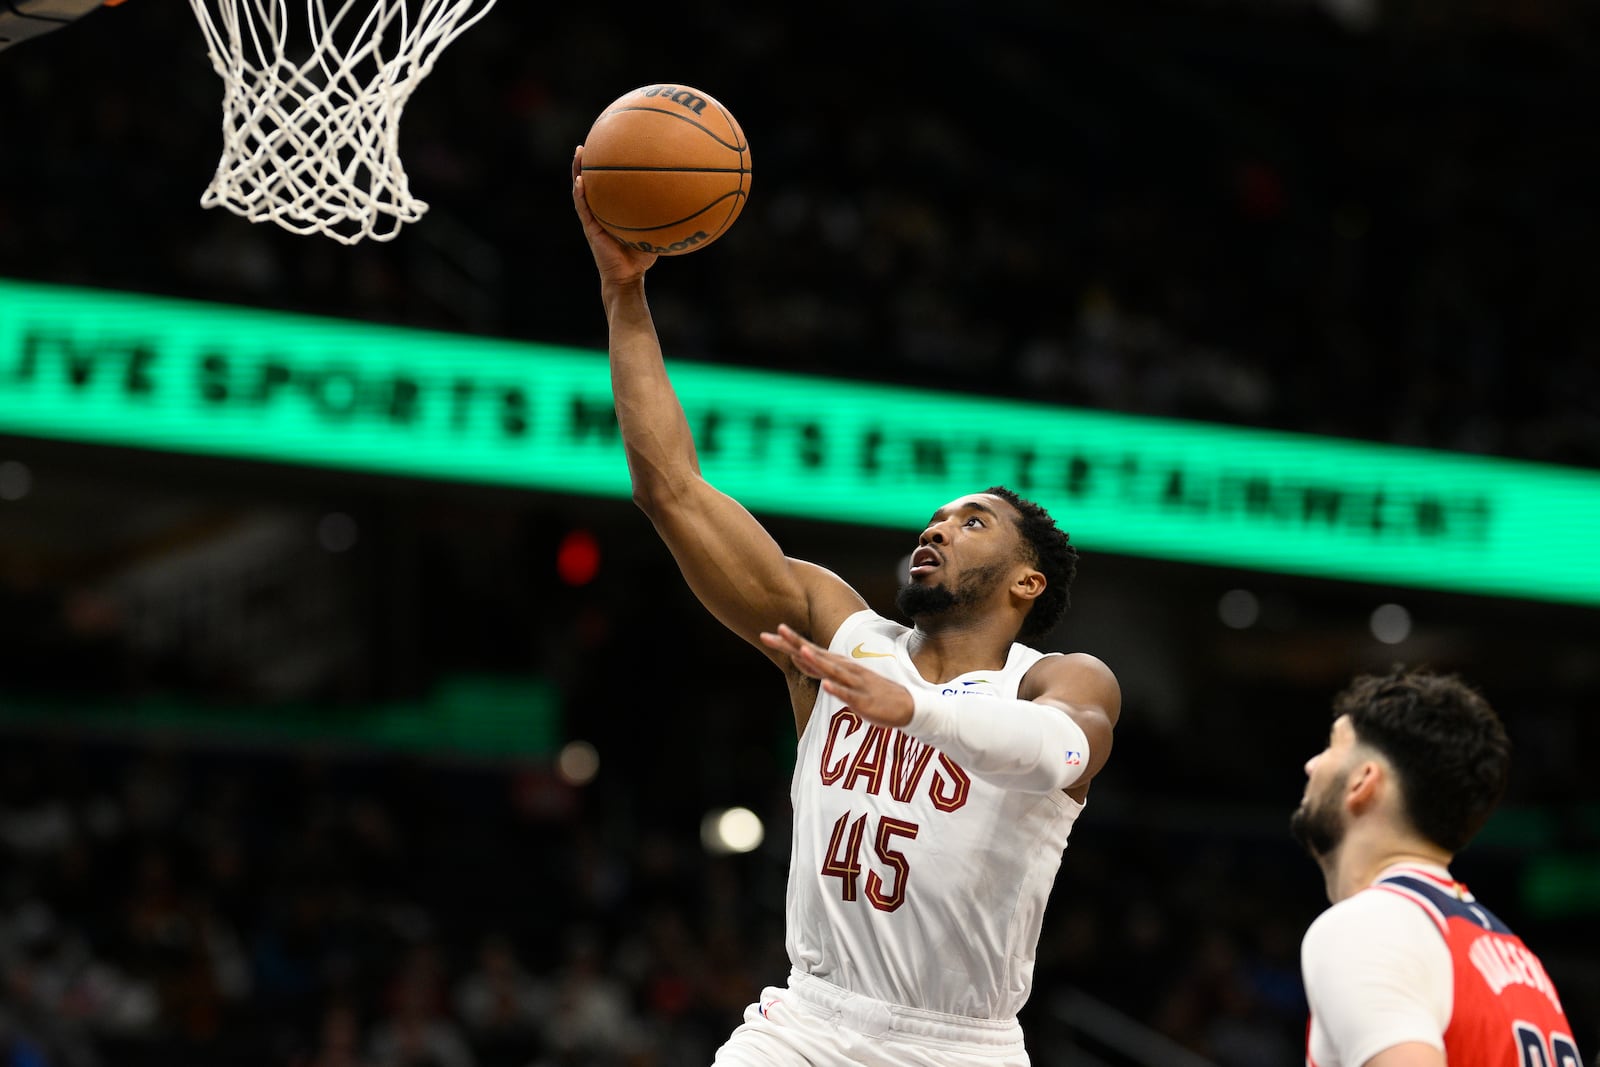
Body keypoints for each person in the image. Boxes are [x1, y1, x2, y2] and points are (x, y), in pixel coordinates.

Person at [571, 148, 1122, 1067]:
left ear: (1028, 581)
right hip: (808, 1023)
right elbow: (671, 489)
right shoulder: (841, 632)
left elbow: (1063, 750)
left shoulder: (1056, 681)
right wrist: (624, 292)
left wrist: (918, 709)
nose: (939, 528)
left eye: (974, 521)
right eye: (937, 516)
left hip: (960, 1045)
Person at [1291, 667, 1582, 1067]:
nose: (1311, 765)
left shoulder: (1368, 925)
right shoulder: (1520, 961)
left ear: (1362, 781)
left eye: (1331, 747)